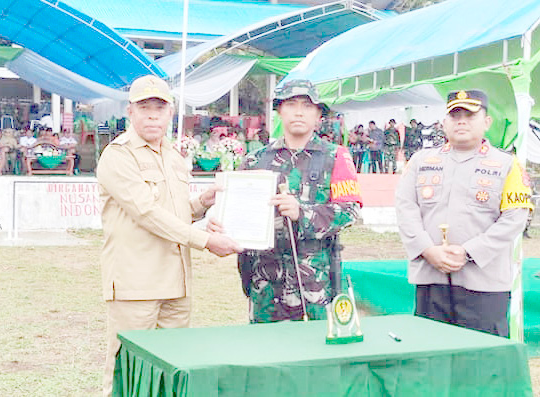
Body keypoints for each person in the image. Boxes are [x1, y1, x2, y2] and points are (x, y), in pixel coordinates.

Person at [96, 75, 243, 397]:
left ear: (170, 113)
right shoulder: (118, 155)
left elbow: (172, 212)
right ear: (130, 112)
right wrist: (205, 241)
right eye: (144, 107)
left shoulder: (173, 155)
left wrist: (202, 203)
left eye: (159, 108)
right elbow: (146, 213)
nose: (152, 115)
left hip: (177, 283)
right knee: (127, 375)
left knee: (171, 373)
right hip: (136, 284)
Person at [395, 89, 533, 337]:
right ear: (444, 123)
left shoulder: (508, 165)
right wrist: (427, 249)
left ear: (487, 122)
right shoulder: (420, 161)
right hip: (431, 277)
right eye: (455, 115)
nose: (461, 121)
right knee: (431, 355)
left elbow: (514, 219)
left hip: (484, 282)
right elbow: (406, 208)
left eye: (470, 115)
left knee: (482, 363)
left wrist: (469, 252)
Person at [226, 79, 362, 323]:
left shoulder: (336, 157)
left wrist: (302, 213)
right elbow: (238, 215)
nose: (299, 112)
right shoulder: (254, 160)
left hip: (313, 284)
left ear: (319, 114)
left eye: (307, 106)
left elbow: (349, 211)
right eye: (291, 104)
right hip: (265, 284)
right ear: (279, 110)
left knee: (315, 354)